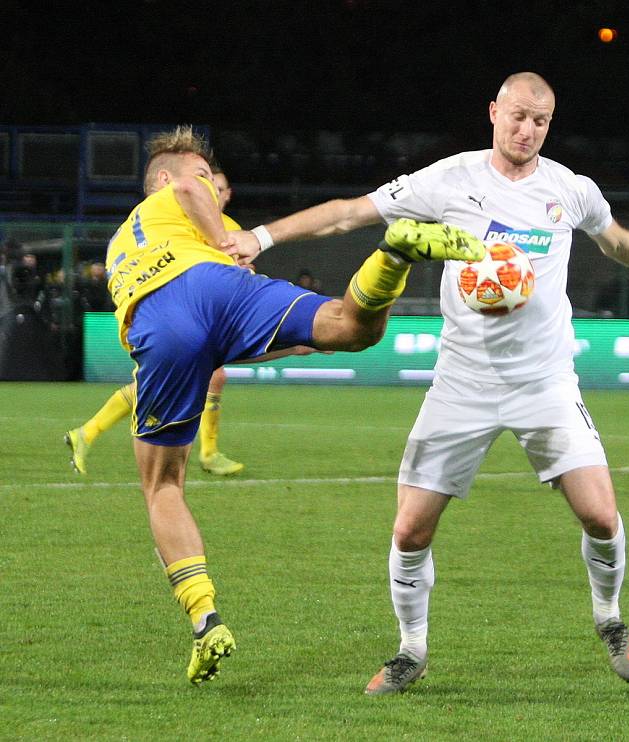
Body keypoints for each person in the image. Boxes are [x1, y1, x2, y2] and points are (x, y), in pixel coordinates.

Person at [223, 72, 629, 693]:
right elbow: (349, 214)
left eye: (540, 121)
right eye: (517, 116)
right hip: (462, 383)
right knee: (409, 529)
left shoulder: (570, 190)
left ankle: (609, 618)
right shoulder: (449, 179)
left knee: (602, 517)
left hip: (545, 383)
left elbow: (615, 241)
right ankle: (410, 651)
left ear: (548, 126)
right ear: (493, 112)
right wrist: (259, 236)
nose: (526, 130)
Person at [101, 125, 484, 685]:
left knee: (162, 486)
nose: (210, 189)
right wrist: (225, 247)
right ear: (163, 177)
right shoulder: (185, 202)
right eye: (205, 177)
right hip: (210, 290)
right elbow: (191, 197)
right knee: (353, 329)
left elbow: (204, 329)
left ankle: (205, 619)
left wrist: (276, 328)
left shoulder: (121, 242)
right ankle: (394, 251)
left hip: (160, 323)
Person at [65, 168, 245, 477]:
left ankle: (87, 433)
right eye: (210, 184)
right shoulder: (178, 216)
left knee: (194, 379)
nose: (213, 190)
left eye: (219, 187)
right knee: (193, 380)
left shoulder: (230, 228)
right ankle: (207, 453)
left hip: (198, 313)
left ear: (228, 195)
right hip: (178, 314)